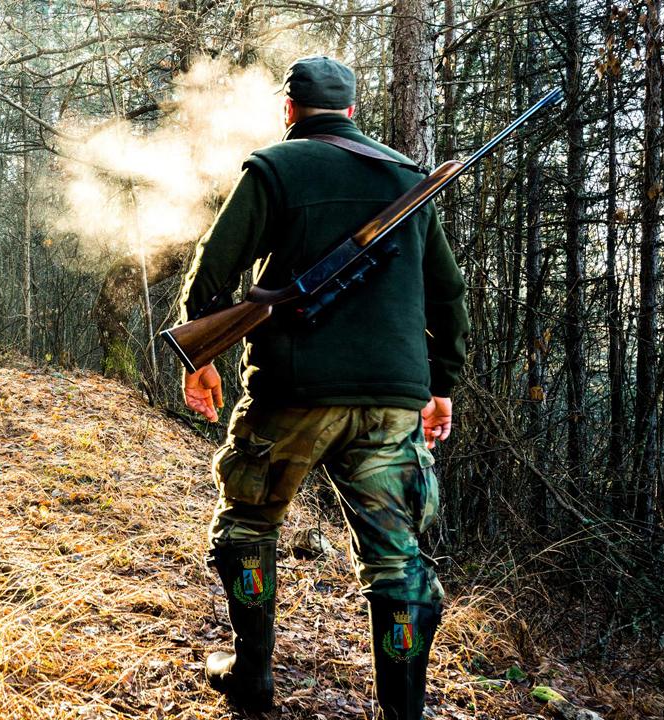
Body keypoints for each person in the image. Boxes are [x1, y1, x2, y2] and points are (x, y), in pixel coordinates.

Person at [175, 56, 469, 718]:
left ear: (290, 109)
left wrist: (203, 357)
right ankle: (404, 713)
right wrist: (440, 384)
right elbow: (447, 296)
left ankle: (251, 674)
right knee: (399, 566)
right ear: (354, 112)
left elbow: (213, 270)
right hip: (392, 401)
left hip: (293, 390)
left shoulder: (274, 168)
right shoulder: (407, 178)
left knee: (249, 527)